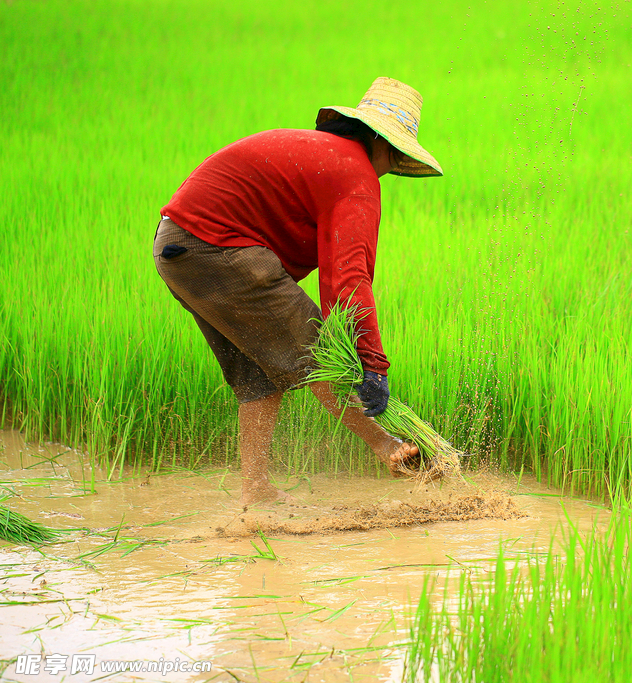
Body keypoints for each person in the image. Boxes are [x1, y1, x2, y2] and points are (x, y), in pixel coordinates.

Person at [153, 77, 443, 506]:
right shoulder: (356, 174)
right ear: (388, 144)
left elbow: (335, 274)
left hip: (177, 247)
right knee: (323, 353)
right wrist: (372, 364)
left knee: (259, 374)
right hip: (216, 248)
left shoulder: (325, 155)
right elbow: (349, 281)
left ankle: (255, 491)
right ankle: (388, 447)